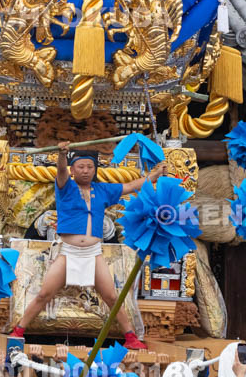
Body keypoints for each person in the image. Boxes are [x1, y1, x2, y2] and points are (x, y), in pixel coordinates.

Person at [9, 144, 166, 350]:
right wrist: (63, 155)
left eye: (90, 167)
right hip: (68, 251)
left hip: (93, 252)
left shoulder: (103, 190)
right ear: (73, 170)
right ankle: (18, 330)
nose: (85, 170)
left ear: (95, 170)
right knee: (44, 294)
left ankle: (130, 337)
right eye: (81, 167)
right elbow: (61, 170)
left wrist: (154, 176)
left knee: (111, 297)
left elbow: (130, 186)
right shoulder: (65, 188)